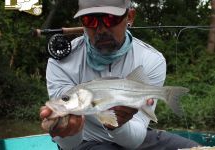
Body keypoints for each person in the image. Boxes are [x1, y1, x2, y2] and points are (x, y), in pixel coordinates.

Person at [40, 0, 200, 149]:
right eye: (90, 20)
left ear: (130, 16)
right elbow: (69, 146)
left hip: (134, 135)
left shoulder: (151, 59)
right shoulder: (61, 61)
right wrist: (66, 131)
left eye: (110, 19)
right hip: (86, 141)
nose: (101, 29)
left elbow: (136, 138)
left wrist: (118, 125)